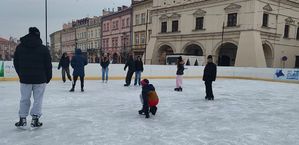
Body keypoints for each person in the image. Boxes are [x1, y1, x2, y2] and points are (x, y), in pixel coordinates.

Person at [13, 27, 52, 128]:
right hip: (40, 79)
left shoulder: (20, 47)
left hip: (25, 78)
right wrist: (48, 77)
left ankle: (22, 119)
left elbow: (16, 62)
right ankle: (35, 120)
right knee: (38, 99)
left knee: (24, 99)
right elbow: (48, 64)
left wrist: (21, 74)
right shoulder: (43, 48)